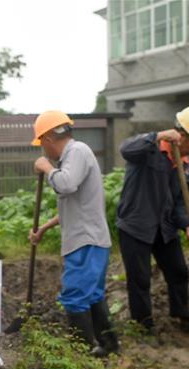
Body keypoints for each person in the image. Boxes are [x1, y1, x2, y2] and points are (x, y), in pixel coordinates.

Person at [115, 105, 189, 333]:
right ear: (181, 136)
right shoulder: (148, 150)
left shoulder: (188, 165)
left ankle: (182, 315)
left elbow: (185, 201)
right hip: (136, 224)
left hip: (165, 227)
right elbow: (126, 149)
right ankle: (143, 324)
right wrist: (157, 136)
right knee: (139, 278)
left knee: (179, 271)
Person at [28, 110, 117, 356]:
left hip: (85, 242)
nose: (44, 152)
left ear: (47, 138)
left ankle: (86, 353)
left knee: (75, 297)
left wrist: (46, 167)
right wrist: (44, 229)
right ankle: (109, 346)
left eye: (42, 145)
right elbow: (76, 205)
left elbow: (66, 184)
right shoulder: (73, 157)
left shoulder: (76, 152)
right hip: (90, 240)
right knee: (93, 295)